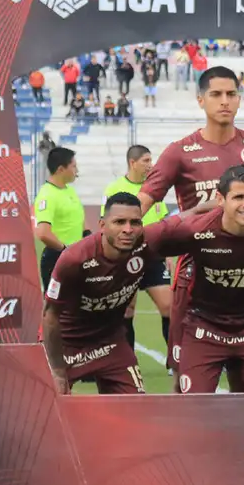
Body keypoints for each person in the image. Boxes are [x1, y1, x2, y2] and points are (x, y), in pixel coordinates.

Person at [138, 65, 244, 389]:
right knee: (186, 384)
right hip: (196, 278)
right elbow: (143, 201)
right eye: (216, 94)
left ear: (240, 99)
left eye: (231, 94)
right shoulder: (180, 152)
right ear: (200, 100)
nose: (225, 101)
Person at [142, 165, 244, 394]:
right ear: (221, 199)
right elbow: (139, 240)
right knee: (192, 408)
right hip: (205, 327)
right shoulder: (195, 230)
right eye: (239, 197)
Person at [42, 193, 154, 395]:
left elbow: (183, 226)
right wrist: (58, 372)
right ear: (102, 225)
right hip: (68, 344)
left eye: (135, 222)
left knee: (137, 408)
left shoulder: (147, 244)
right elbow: (50, 316)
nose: (128, 230)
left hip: (111, 342)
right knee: (47, 412)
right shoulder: (74, 259)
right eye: (119, 222)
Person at [102, 145, 172, 352]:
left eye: (151, 161)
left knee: (169, 307)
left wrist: (166, 253)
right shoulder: (114, 189)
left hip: (153, 257)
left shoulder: (155, 190)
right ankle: (126, 361)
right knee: (127, 310)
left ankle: (175, 360)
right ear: (132, 163)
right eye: (146, 161)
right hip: (125, 259)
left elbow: (164, 223)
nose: (151, 165)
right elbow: (105, 226)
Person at [33, 147, 85, 291]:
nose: (77, 170)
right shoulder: (47, 195)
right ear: (61, 169)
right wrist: (65, 250)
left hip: (76, 258)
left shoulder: (69, 190)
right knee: (55, 309)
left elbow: (78, 220)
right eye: (74, 166)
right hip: (57, 260)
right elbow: (42, 233)